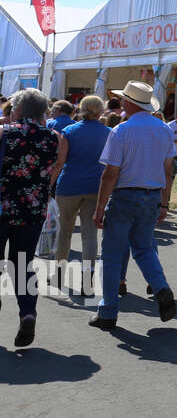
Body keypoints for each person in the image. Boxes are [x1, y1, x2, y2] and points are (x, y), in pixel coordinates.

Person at [89, 81, 177, 330]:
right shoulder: (164, 130)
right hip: (151, 195)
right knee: (145, 248)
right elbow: (168, 170)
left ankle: (108, 311)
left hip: (125, 196)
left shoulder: (121, 131)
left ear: (128, 103)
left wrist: (99, 208)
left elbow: (110, 173)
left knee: (112, 255)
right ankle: (161, 287)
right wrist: (164, 202)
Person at [0, 89, 65, 346]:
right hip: (33, 207)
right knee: (23, 263)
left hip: (2, 205)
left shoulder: (5, 132)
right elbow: (56, 167)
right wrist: (40, 189)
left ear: (17, 108)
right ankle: (28, 312)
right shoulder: (54, 137)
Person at [54, 94, 109, 297]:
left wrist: (49, 183)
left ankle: (59, 273)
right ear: (100, 110)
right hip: (96, 185)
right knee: (90, 233)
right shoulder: (109, 132)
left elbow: (60, 161)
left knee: (65, 231)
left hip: (69, 185)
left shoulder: (69, 131)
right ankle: (88, 279)